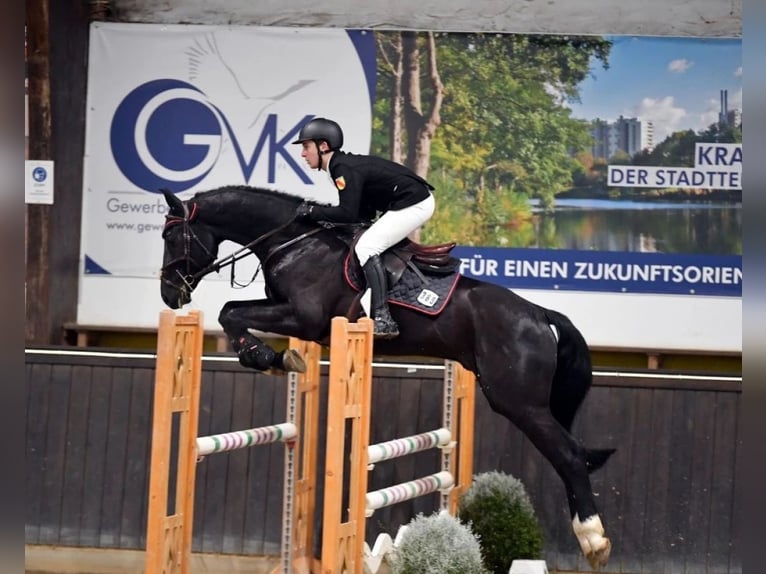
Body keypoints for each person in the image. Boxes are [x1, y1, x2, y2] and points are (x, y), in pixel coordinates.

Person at [291, 117, 436, 339]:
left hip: (414, 203)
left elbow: (347, 213)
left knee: (367, 247)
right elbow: (360, 213)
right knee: (364, 240)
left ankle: (383, 318)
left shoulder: (342, 169)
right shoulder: (338, 167)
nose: (303, 154)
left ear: (323, 146)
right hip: (407, 201)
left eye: (306, 146)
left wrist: (312, 212)